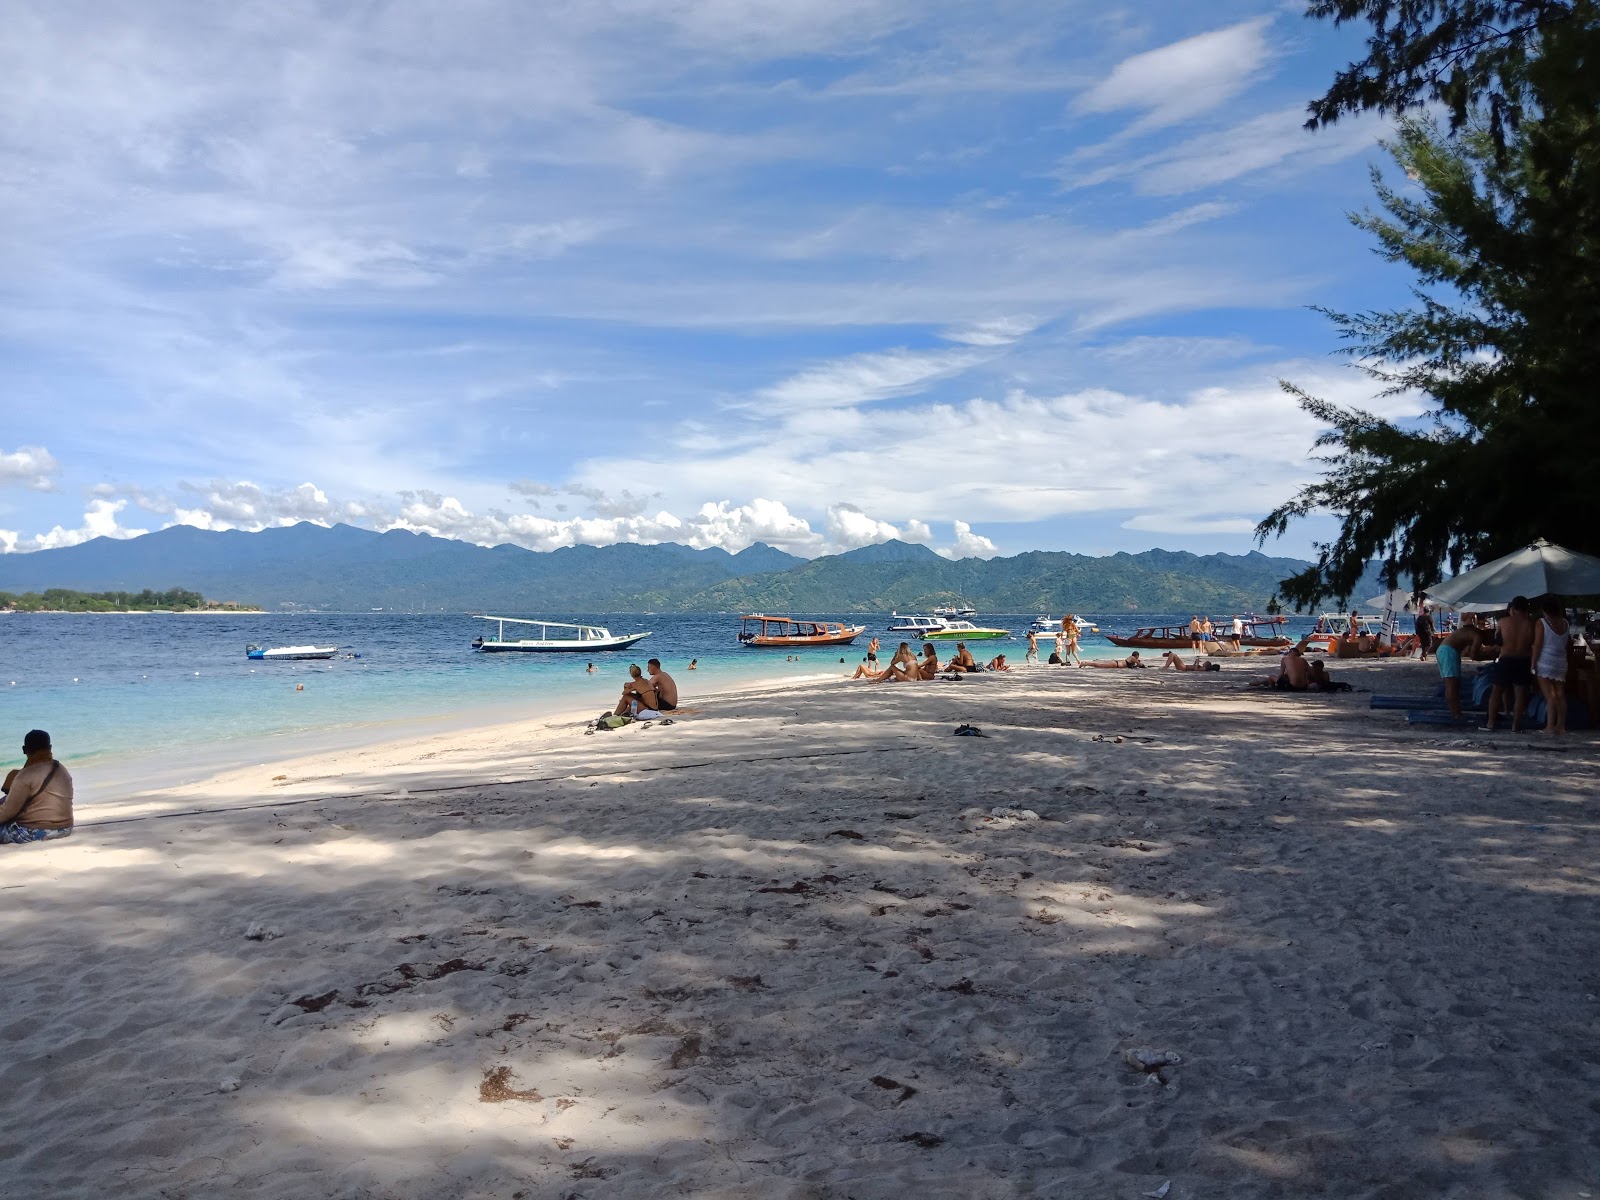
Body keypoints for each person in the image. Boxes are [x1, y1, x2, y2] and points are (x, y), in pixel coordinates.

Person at [1, 730, 74, 845]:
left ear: (24, 750)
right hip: (66, 828)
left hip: (37, 831)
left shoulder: (24, 776)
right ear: (50, 747)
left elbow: (7, 813)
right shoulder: (60, 768)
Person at [1485, 596, 1535, 732]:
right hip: (1523, 660)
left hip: (1506, 659)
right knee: (1520, 693)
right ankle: (1515, 725)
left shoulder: (1503, 622)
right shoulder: (1531, 623)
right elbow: (1534, 644)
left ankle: (1490, 723)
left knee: (1496, 692)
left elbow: (1498, 642)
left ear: (1513, 608)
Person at [1531, 597, 1570, 735]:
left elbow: (1537, 645)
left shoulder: (1542, 623)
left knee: (1550, 696)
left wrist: (1533, 663)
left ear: (1544, 610)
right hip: (1561, 662)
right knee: (1560, 695)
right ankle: (1561, 726)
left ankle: (1550, 726)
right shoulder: (1565, 623)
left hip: (1545, 661)